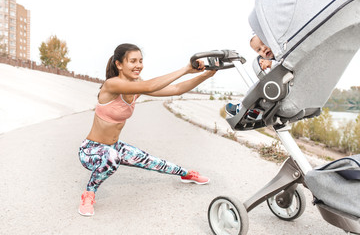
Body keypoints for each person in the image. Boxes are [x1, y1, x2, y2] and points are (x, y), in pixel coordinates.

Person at [78, 43, 217, 216]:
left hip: (114, 146)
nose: (138, 65)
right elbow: (150, 86)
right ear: (119, 64)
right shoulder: (111, 85)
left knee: (152, 161)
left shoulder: (136, 86)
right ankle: (89, 194)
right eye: (133, 61)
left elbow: (176, 89)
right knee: (111, 157)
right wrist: (186, 69)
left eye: (141, 61)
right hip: (91, 150)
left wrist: (207, 75)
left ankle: (186, 174)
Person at [225, 34, 277, 117]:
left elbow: (286, 65)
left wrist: (271, 64)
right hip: (279, 91)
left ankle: (241, 108)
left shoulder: (281, 55)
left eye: (264, 43)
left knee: (258, 87)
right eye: (259, 49)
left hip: (281, 90)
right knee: (260, 88)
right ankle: (255, 111)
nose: (263, 49)